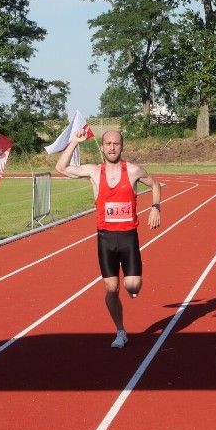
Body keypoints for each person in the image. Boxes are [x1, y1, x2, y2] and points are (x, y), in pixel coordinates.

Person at [56, 129, 161, 348]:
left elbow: (155, 185)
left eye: (116, 143)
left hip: (128, 237)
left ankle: (131, 285)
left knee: (132, 286)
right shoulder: (94, 172)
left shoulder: (133, 171)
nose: (112, 147)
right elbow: (61, 168)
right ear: (102, 147)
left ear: (122, 146)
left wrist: (155, 208)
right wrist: (75, 142)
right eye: (108, 144)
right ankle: (120, 331)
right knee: (111, 289)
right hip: (105, 239)